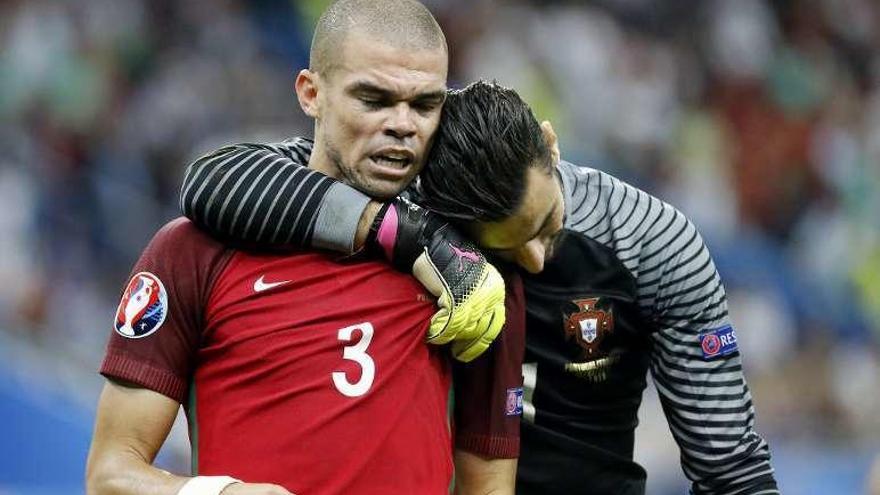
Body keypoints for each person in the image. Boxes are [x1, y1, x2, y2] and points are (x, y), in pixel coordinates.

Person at [179, 80, 780, 494]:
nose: (537, 262)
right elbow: (213, 179)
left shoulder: (652, 240)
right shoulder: (399, 197)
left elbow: (728, 463)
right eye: (503, 250)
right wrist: (420, 240)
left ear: (549, 143)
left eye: (547, 226)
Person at [86, 2, 523, 494]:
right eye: (374, 99)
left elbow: (488, 486)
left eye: (424, 105)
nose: (403, 124)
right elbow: (110, 474)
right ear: (311, 94)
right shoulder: (194, 251)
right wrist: (224, 494)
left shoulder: (469, 272)